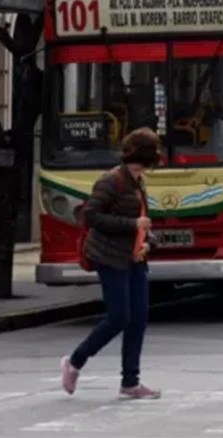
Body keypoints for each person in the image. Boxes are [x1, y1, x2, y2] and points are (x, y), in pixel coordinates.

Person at [61, 127, 161, 400]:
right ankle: (75, 361)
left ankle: (130, 382)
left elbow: (143, 220)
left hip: (135, 257)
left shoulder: (138, 181)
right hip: (110, 257)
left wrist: (149, 241)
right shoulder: (112, 180)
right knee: (119, 317)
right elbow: (91, 216)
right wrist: (132, 225)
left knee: (138, 319)